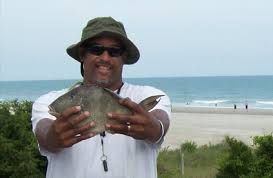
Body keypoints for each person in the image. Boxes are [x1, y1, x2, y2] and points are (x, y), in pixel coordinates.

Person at [31, 17, 171, 178]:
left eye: (114, 51)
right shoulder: (49, 101)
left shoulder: (145, 96)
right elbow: (44, 131)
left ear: (123, 57)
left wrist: (155, 129)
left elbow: (161, 121)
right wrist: (52, 138)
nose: (105, 57)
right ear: (83, 54)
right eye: (96, 49)